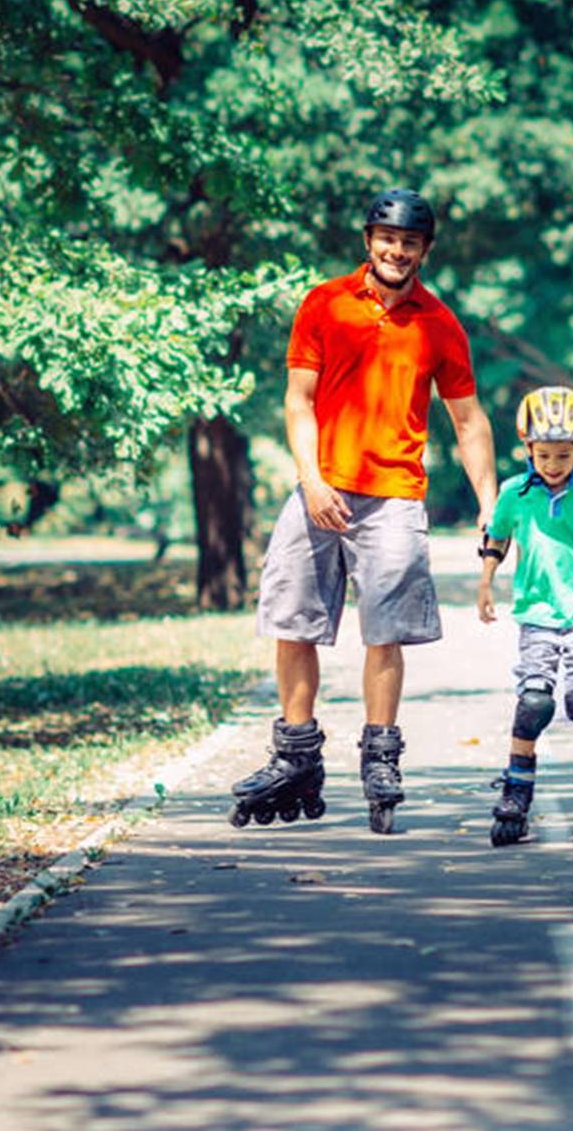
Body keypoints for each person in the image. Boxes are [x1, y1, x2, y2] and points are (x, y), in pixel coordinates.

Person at [230, 187, 497, 834]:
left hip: (395, 497)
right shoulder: (325, 303)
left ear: (424, 251)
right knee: (292, 619)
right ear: (367, 240)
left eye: (409, 242)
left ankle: (380, 755)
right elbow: (298, 401)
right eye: (386, 238)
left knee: (385, 631)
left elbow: (467, 420)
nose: (395, 250)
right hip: (319, 488)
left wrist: (492, 504)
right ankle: (295, 752)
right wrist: (311, 480)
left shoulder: (439, 324)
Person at [477, 386, 573, 845]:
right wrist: (486, 583)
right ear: (528, 449)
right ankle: (515, 794)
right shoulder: (514, 492)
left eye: (562, 455)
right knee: (534, 704)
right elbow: (497, 537)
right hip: (537, 614)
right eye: (543, 455)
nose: (552, 464)